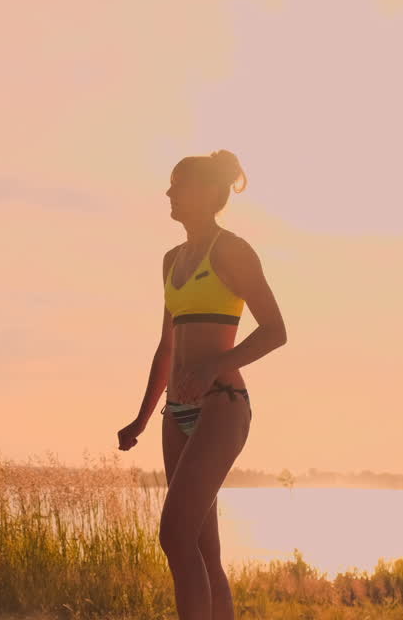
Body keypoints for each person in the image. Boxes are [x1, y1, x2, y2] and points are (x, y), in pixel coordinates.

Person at [117, 151, 287, 620]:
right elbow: (166, 347)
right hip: (177, 414)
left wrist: (217, 366)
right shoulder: (171, 260)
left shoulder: (232, 251)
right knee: (203, 553)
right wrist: (142, 418)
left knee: (174, 535)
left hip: (222, 406)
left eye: (177, 185)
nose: (168, 193)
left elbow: (275, 330)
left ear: (207, 193)